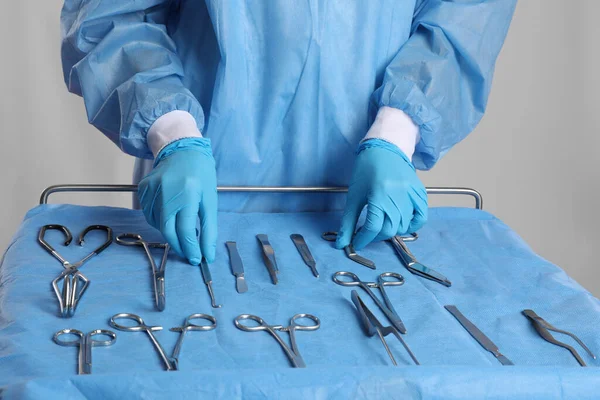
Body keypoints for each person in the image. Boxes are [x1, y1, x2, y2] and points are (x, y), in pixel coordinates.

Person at [61, 0, 516, 265]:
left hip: (365, 198)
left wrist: (399, 130)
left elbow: (466, 18)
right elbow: (114, 16)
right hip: (203, 186)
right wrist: (170, 130)